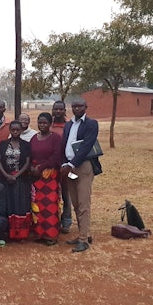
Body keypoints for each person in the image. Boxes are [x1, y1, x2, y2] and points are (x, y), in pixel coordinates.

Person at [61, 98, 102, 253]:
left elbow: (86, 146)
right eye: (74, 106)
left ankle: (84, 240)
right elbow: (64, 145)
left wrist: (72, 164)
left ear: (86, 107)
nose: (77, 108)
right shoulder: (68, 124)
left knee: (84, 203)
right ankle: (82, 234)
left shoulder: (91, 124)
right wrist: (65, 164)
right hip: (69, 169)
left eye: (80, 106)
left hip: (83, 167)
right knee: (76, 203)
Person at [29, 112, 64, 245]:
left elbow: (56, 156)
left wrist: (41, 167)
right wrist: (32, 169)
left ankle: (51, 235)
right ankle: (38, 233)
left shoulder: (55, 138)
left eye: (45, 123)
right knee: (37, 205)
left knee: (50, 205)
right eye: (40, 122)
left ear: (50, 124)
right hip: (36, 177)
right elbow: (30, 155)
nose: (42, 125)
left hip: (50, 176)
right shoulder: (33, 138)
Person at [0, 121, 32, 226]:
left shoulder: (26, 145)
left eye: (17, 130)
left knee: (20, 202)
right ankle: (7, 228)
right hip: (5, 179)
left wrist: (16, 175)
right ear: (10, 130)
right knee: (7, 201)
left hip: (21, 179)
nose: (15, 132)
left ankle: (20, 229)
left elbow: (27, 162)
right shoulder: (3, 144)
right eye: (13, 130)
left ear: (21, 130)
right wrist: (6, 175)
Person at [50, 100, 72, 233]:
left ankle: (67, 221)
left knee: (66, 193)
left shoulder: (70, 125)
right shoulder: (48, 124)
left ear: (65, 110)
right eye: (55, 109)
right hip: (52, 166)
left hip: (66, 165)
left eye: (60, 109)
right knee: (52, 193)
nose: (58, 111)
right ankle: (53, 220)